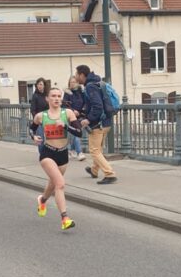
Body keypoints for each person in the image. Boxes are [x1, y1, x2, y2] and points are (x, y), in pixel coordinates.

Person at [33, 86, 80, 231]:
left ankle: (43, 199)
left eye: (59, 96)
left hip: (63, 154)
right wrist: (33, 137)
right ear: (47, 99)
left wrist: (65, 126)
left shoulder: (68, 113)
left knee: (53, 185)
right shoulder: (41, 116)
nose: (56, 99)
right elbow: (31, 128)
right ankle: (65, 218)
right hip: (47, 153)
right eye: (53, 96)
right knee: (60, 183)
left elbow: (79, 132)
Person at [76, 64, 118, 184]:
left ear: (82, 75)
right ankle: (94, 170)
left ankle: (110, 174)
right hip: (106, 122)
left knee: (94, 150)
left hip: (97, 124)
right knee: (98, 149)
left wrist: (88, 119)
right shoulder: (98, 82)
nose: (75, 77)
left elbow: (97, 106)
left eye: (76, 75)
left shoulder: (90, 87)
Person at [63, 75, 87, 161]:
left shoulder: (82, 92)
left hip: (80, 115)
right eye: (71, 82)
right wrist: (73, 111)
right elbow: (65, 105)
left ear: (77, 83)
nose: (72, 84)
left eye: (74, 82)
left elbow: (85, 102)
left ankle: (72, 150)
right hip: (71, 116)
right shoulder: (67, 93)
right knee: (75, 133)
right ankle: (79, 152)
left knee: (76, 132)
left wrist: (80, 112)